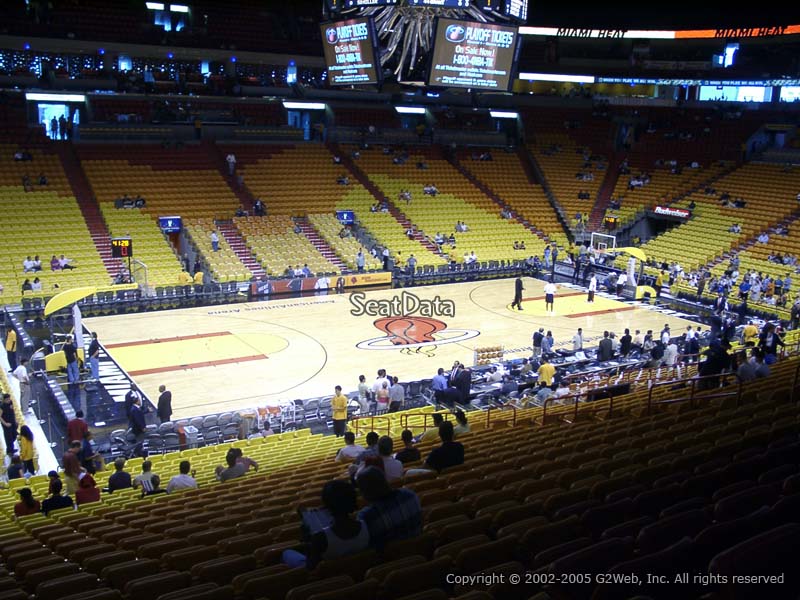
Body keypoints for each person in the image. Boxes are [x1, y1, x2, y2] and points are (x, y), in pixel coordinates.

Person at [283, 480, 370, 569]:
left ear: (327, 504)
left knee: (287, 553)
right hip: (359, 569)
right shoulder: (366, 524)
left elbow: (311, 568)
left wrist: (307, 541)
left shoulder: (321, 537)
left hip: (332, 574)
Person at [356, 466, 421, 550]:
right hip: (419, 550)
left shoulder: (366, 516)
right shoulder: (409, 494)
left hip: (391, 560)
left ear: (365, 491)